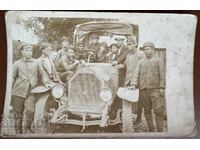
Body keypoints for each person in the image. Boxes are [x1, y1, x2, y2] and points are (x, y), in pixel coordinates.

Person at [11, 43, 49, 134]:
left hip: (31, 91)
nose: (29, 52)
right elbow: (12, 77)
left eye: (30, 50)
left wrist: (46, 82)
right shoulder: (17, 63)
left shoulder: (36, 62)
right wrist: (9, 88)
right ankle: (18, 132)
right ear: (22, 52)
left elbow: (42, 73)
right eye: (27, 50)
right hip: (18, 91)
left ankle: (28, 127)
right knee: (18, 114)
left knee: (30, 111)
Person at [130, 42, 165, 132]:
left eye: (148, 49)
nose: (147, 51)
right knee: (147, 111)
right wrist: (133, 84)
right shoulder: (141, 62)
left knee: (158, 110)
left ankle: (160, 130)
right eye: (145, 49)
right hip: (143, 90)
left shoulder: (159, 60)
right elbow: (136, 74)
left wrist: (161, 87)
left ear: (153, 50)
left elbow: (162, 74)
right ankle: (151, 130)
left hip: (156, 90)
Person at [118, 36, 145, 128]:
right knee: (128, 100)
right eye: (128, 45)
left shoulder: (141, 54)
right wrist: (121, 65)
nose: (129, 47)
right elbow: (125, 65)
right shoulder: (128, 55)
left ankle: (139, 120)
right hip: (128, 81)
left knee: (140, 100)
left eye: (131, 44)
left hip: (138, 81)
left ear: (135, 44)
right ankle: (128, 119)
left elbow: (144, 68)